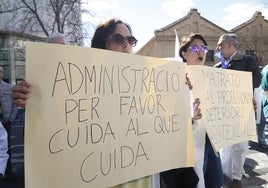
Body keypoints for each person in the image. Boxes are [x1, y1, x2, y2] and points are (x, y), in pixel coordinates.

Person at [214, 33, 261, 188]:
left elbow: (256, 80)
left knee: (239, 147)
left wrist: (234, 80)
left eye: (220, 45)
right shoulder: (217, 66)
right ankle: (224, 172)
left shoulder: (247, 60)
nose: (217, 48)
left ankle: (236, 177)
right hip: (224, 112)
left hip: (242, 111)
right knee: (224, 145)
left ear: (230, 45)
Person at [179, 33, 223, 188]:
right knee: (197, 182)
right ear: (184, 53)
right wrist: (190, 117)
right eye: (195, 48)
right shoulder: (175, 78)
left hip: (210, 139)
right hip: (190, 143)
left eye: (204, 48)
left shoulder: (212, 78)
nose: (201, 51)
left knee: (216, 181)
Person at [0, 66, 18, 181]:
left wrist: (10, 119)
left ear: (2, 73)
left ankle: (8, 171)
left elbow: (15, 104)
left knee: (7, 147)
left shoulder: (8, 87)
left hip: (5, 121)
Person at [259, 64, 268, 148]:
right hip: (266, 105)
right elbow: (265, 89)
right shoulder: (266, 70)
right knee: (261, 121)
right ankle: (261, 140)